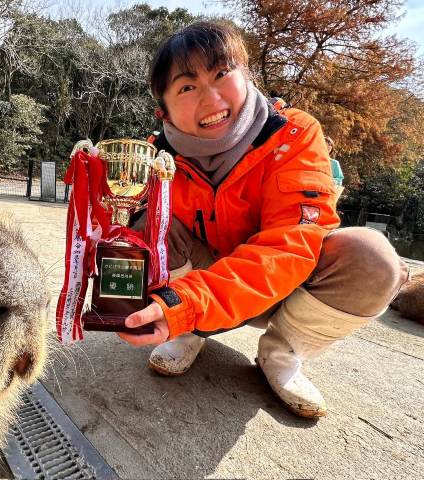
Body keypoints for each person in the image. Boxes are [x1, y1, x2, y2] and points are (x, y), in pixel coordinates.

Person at [118, 21, 409, 418]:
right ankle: (186, 332)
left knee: (374, 259)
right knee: (147, 227)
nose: (211, 96)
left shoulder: (295, 135)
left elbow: (290, 245)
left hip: (287, 289)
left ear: (247, 75)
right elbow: (128, 242)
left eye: (222, 74)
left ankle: (282, 353)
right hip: (200, 278)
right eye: (187, 86)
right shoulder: (154, 158)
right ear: (163, 109)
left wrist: (185, 302)